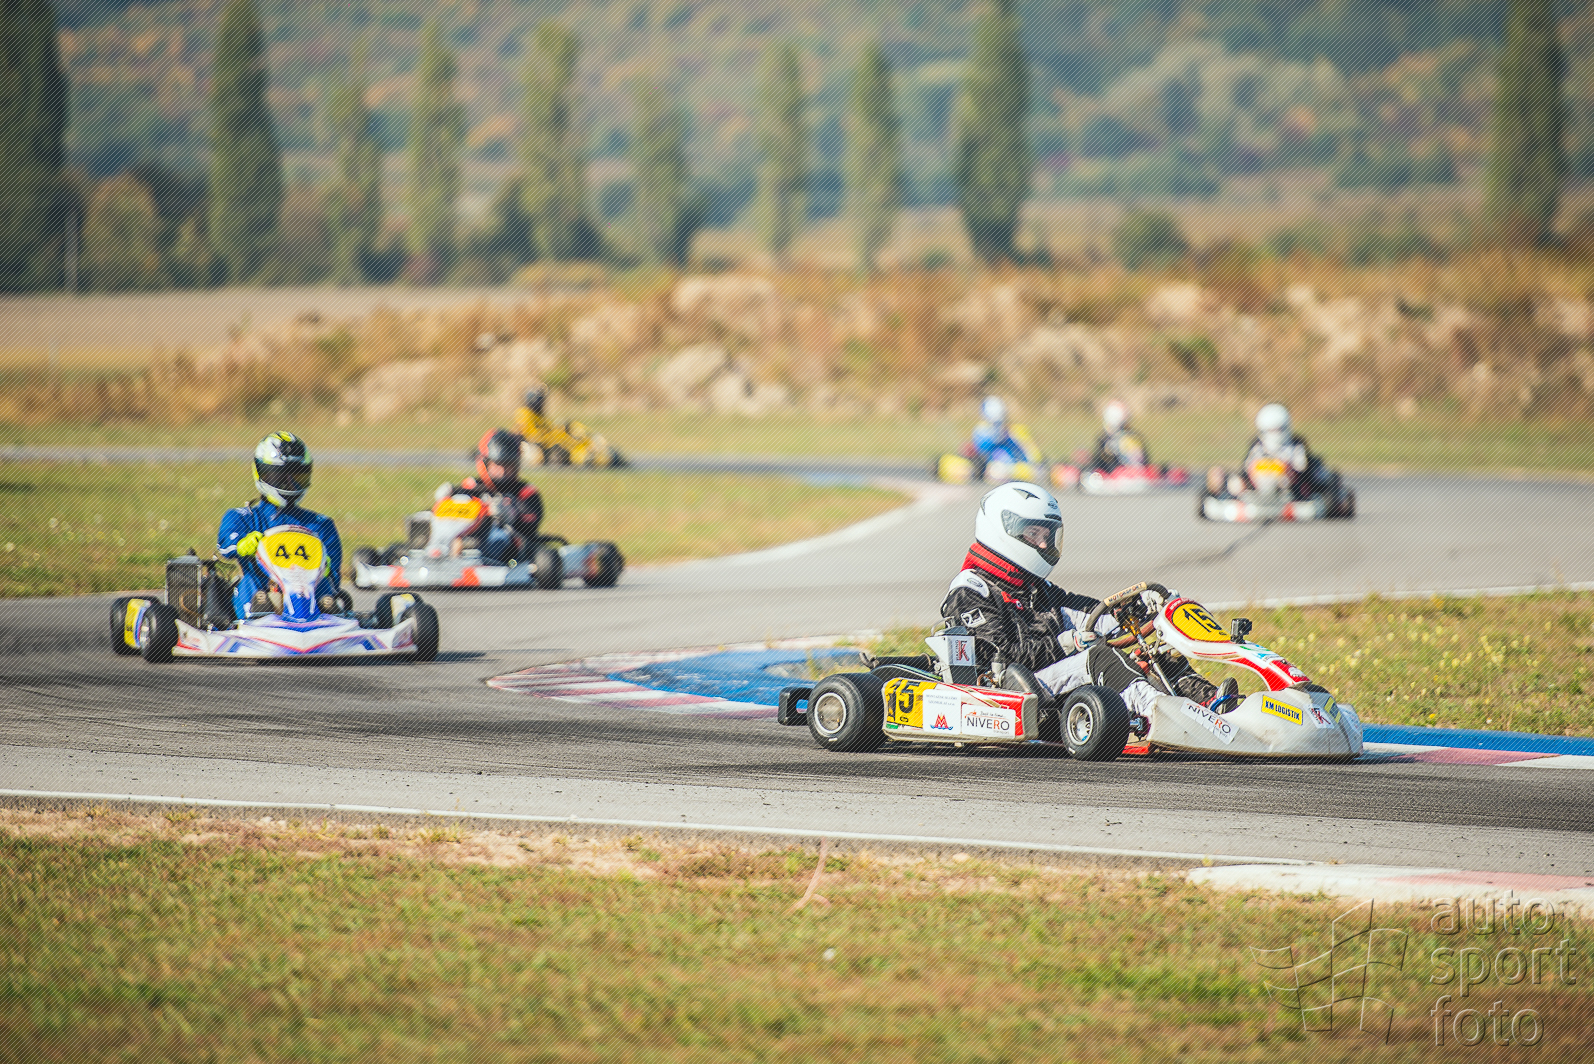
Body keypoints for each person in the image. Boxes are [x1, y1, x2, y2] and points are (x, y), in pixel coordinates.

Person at [940, 482, 1238, 728]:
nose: (1043, 544)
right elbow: (1003, 655)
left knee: (1151, 653)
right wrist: (1067, 644)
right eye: (1033, 534)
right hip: (1006, 692)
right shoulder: (970, 589)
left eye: (1047, 535)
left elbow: (1094, 616)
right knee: (1098, 659)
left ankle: (1215, 705)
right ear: (1003, 530)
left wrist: (1142, 609)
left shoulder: (1035, 588)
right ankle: (1166, 716)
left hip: (1050, 682)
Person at [218, 431, 343, 617]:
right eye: (280, 476)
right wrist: (243, 545)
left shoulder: (320, 524)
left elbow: (334, 578)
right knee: (250, 582)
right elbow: (225, 546)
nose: (290, 484)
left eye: (297, 476)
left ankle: (328, 615)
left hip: (307, 595)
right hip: (260, 588)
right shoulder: (243, 517)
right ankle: (258, 614)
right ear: (261, 472)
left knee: (325, 586)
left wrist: (325, 568)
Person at [444, 427, 545, 564]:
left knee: (497, 536)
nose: (502, 472)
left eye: (508, 466)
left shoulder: (525, 492)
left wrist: (509, 515)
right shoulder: (470, 487)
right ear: (485, 463)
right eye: (497, 465)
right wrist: (445, 499)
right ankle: (442, 556)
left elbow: (530, 524)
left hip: (507, 554)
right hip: (465, 537)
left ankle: (476, 558)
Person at [1207, 402, 1338, 499]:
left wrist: (1290, 471)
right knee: (1225, 478)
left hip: (1290, 490)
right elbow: (1245, 470)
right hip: (1256, 489)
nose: (1275, 434)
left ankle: (1331, 495)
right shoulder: (1257, 446)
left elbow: (1303, 469)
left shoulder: (1296, 445)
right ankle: (1219, 496)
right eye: (1271, 430)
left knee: (1319, 477)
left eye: (1278, 430)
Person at [962, 396, 1042, 474]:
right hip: (993, 463)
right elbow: (982, 450)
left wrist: (1009, 436)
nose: (997, 426)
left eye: (998, 423)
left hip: (1013, 464)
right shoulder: (981, 430)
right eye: (995, 424)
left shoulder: (1014, 431)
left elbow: (1032, 453)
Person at [1086, 399, 1149, 472]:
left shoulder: (1134, 437)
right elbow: (1100, 465)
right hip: (1114, 475)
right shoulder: (1103, 439)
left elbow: (1144, 464)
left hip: (1134, 475)